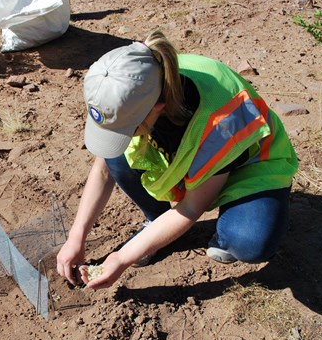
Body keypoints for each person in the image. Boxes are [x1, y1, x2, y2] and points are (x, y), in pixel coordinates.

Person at [56, 30, 298, 289]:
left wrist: (122, 257)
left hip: (250, 164)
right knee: (116, 157)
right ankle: (157, 222)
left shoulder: (218, 122)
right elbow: (103, 169)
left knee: (249, 242)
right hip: (194, 161)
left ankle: (234, 220)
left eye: (131, 127)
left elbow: (191, 208)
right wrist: (76, 237)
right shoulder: (135, 83)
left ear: (157, 108)